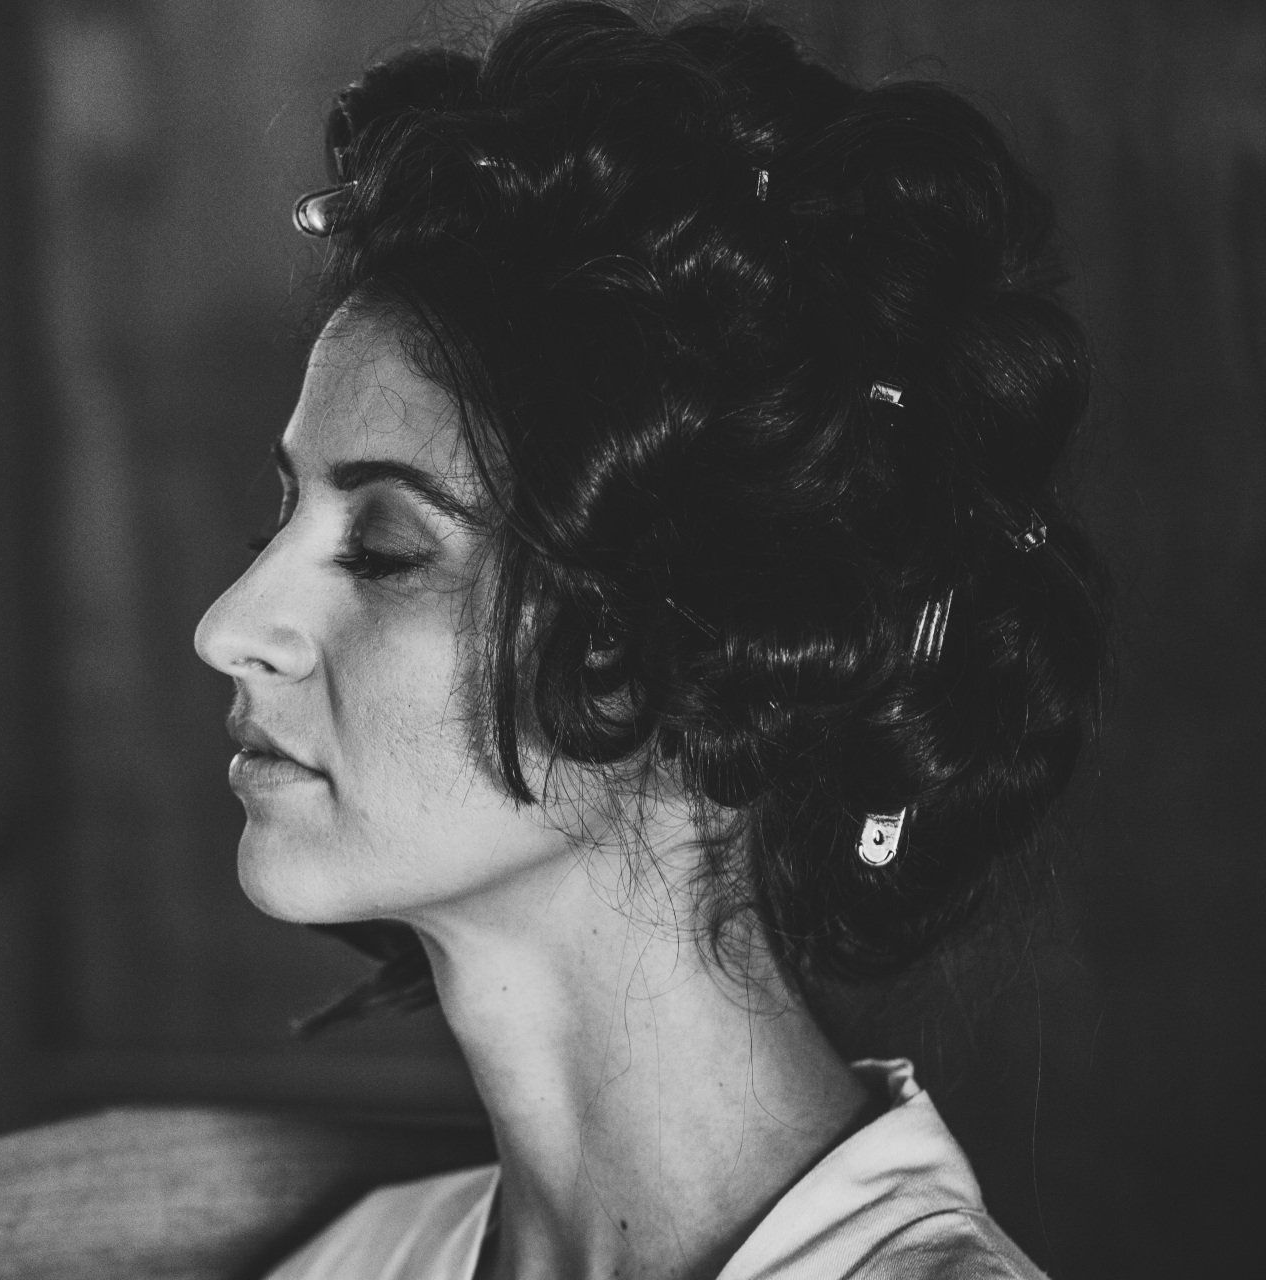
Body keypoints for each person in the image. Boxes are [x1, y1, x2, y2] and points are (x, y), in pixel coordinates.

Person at [193, 2, 1105, 1277]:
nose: (229, 626)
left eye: (387, 550)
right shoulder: (352, 1259)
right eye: (284, 513)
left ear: (673, 644)